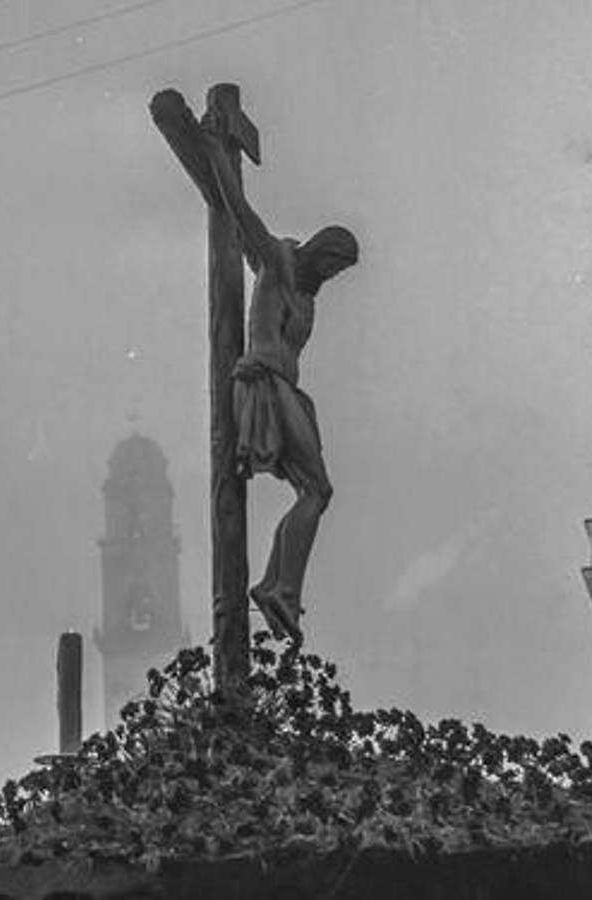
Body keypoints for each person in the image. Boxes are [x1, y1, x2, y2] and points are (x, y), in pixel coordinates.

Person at [150, 90, 359, 643]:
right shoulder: (276, 262)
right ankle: (277, 589)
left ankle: (278, 585)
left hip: (287, 391)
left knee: (317, 491)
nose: (332, 276)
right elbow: (239, 211)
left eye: (339, 272)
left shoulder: (309, 297)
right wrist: (217, 150)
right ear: (317, 250)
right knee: (317, 489)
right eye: (332, 263)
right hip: (263, 384)